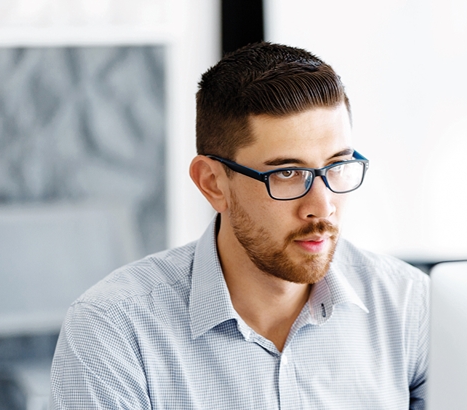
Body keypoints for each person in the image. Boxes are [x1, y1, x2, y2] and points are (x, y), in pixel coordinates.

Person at [50, 42, 429, 409]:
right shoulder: (114, 330)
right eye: (287, 173)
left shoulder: (409, 305)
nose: (322, 207)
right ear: (213, 183)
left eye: (336, 166)